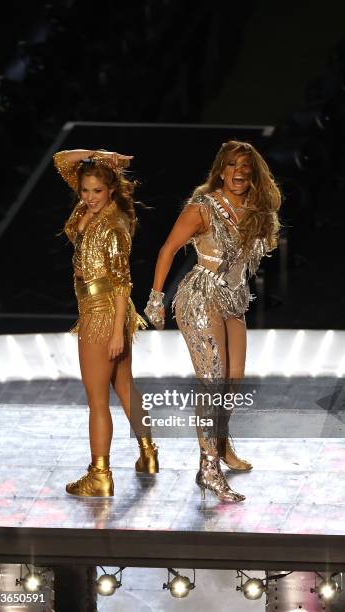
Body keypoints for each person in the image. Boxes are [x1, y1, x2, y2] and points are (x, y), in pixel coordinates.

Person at [145, 140, 281, 502]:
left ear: (252, 173)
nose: (238, 173)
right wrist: (156, 300)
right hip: (201, 296)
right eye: (232, 166)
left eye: (245, 167)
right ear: (221, 170)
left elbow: (263, 247)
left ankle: (220, 447)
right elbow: (167, 250)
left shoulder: (254, 208)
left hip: (234, 298)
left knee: (233, 380)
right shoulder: (202, 208)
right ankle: (208, 470)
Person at [54, 148, 158, 497]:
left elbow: (123, 281)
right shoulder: (91, 212)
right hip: (104, 311)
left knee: (97, 400)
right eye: (85, 191)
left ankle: (99, 474)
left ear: (111, 189)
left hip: (102, 316)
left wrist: (116, 333)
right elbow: (62, 161)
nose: (89, 197)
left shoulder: (112, 225)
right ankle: (148, 454)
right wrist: (98, 156)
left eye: (97, 191)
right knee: (125, 386)